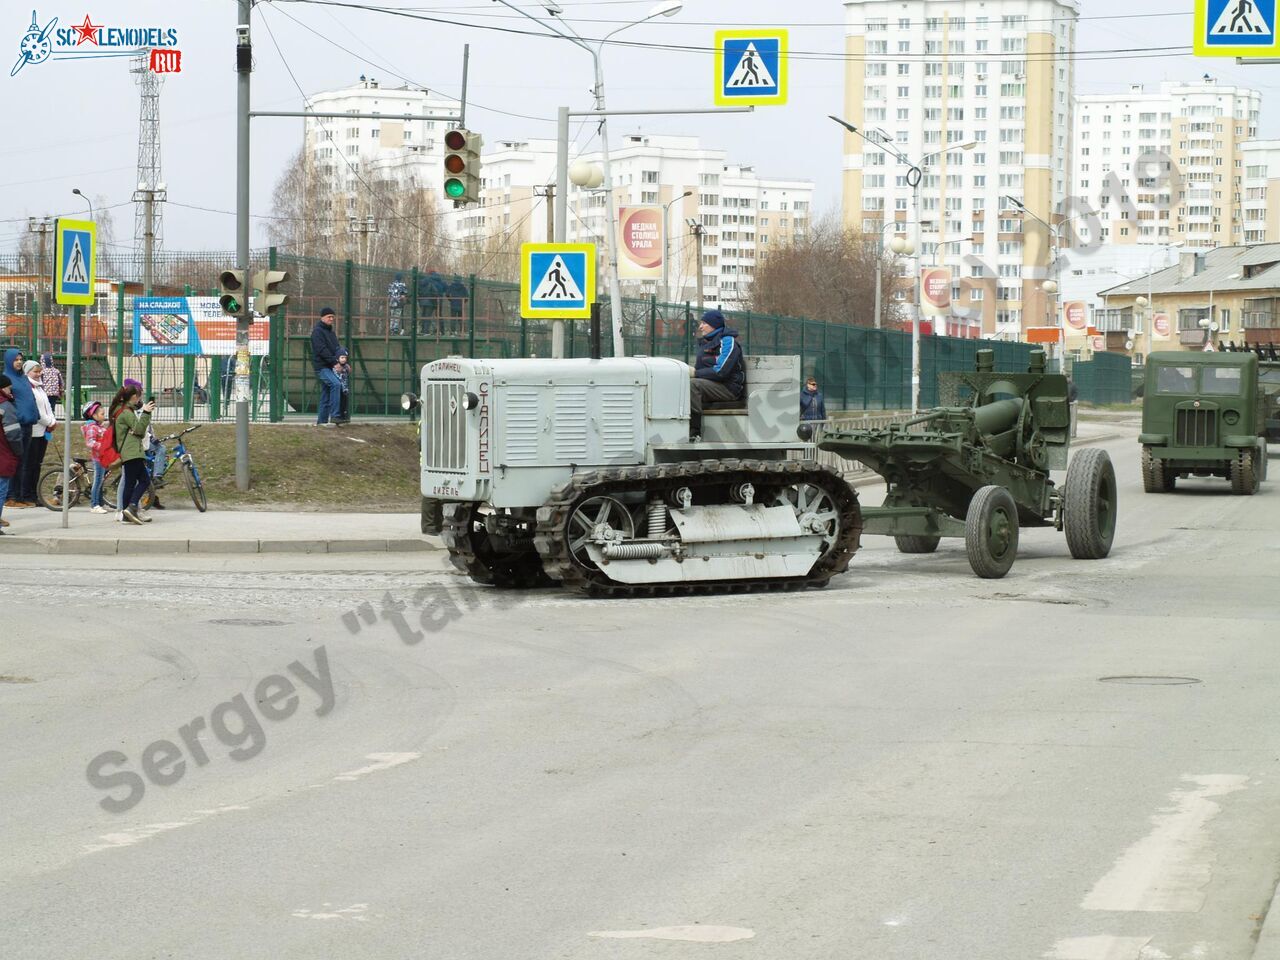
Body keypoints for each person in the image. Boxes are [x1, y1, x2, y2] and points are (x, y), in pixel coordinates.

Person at [689, 309, 745, 440]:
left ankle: (694, 431)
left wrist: (695, 373)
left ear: (714, 324)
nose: (700, 327)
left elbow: (721, 371)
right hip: (713, 386)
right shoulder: (705, 343)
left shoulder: (727, 342)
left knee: (693, 385)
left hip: (728, 388)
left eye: (703, 323)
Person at [110, 385, 156, 525]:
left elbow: (135, 430)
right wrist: (146, 413)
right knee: (144, 481)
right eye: (139, 397)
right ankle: (132, 506)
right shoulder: (126, 412)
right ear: (134, 397)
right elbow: (140, 429)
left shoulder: (121, 409)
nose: (140, 400)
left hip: (129, 452)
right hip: (132, 452)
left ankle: (126, 513)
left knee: (130, 483)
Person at [2, 348, 34, 506]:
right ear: (9, 361)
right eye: (16, 359)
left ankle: (20, 496)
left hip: (28, 424)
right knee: (15, 461)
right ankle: (11, 497)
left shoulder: (23, 378)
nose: (19, 362)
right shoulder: (6, 378)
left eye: (21, 359)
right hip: (16, 424)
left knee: (24, 462)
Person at [22, 359, 56, 505]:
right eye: (35, 371)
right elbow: (36, 410)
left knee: (37, 464)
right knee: (29, 464)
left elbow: (47, 406)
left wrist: (53, 420)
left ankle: (33, 494)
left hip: (43, 432)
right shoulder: (28, 388)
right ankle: (25, 494)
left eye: (39, 371)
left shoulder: (40, 387)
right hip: (34, 431)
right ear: (27, 372)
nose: (38, 374)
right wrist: (49, 422)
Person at [310, 306, 343, 426]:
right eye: (329, 317)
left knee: (326, 394)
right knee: (336, 384)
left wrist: (343, 363)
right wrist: (335, 363)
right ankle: (335, 415)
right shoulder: (317, 332)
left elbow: (337, 349)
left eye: (333, 317)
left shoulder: (331, 332)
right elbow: (321, 350)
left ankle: (322, 422)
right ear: (322, 317)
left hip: (329, 366)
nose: (331, 319)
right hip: (322, 367)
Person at [81, 401, 111, 514]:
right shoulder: (92, 428)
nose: (104, 416)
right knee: (98, 481)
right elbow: (90, 442)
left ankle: (100, 503)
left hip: (104, 458)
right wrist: (102, 446)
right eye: (102, 414)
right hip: (98, 459)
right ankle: (94, 505)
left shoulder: (99, 427)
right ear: (93, 415)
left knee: (101, 481)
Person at [0, 374, 21, 533]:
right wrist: (19, 451)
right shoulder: (6, 406)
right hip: (4, 456)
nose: (10, 390)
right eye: (8, 387)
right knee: (1, 491)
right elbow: (13, 434)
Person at [334, 346, 352, 424]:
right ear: (338, 358)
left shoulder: (346, 366)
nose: (344, 359)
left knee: (344, 402)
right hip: (339, 388)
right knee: (339, 402)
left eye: (345, 357)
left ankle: (343, 415)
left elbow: (348, 372)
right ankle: (338, 416)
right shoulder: (335, 367)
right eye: (342, 357)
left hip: (345, 388)